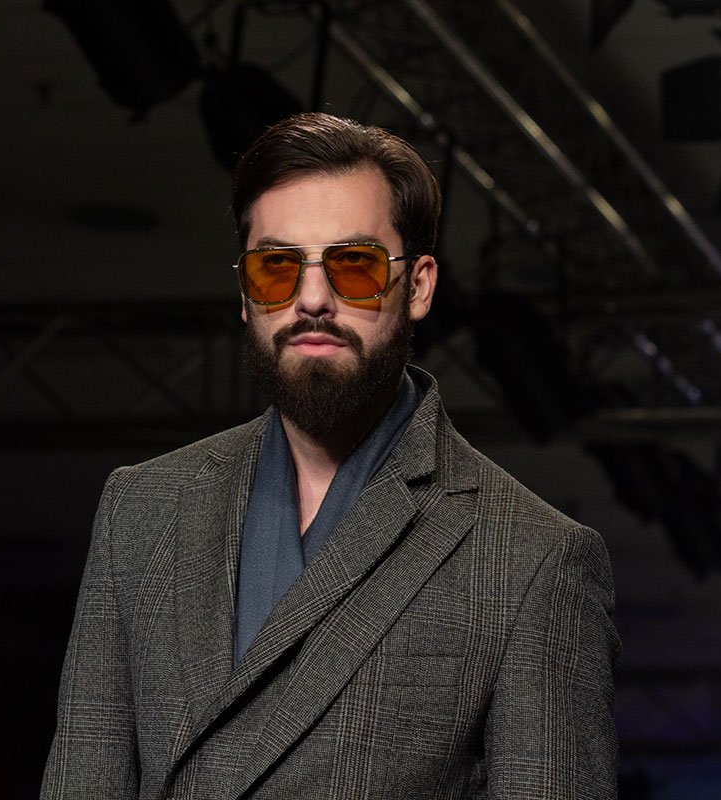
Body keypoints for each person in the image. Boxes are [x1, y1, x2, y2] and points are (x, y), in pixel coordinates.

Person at [40, 112, 619, 799]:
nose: (312, 299)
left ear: (419, 286)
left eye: (354, 265)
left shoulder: (532, 559)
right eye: (276, 268)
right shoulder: (143, 508)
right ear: (246, 293)